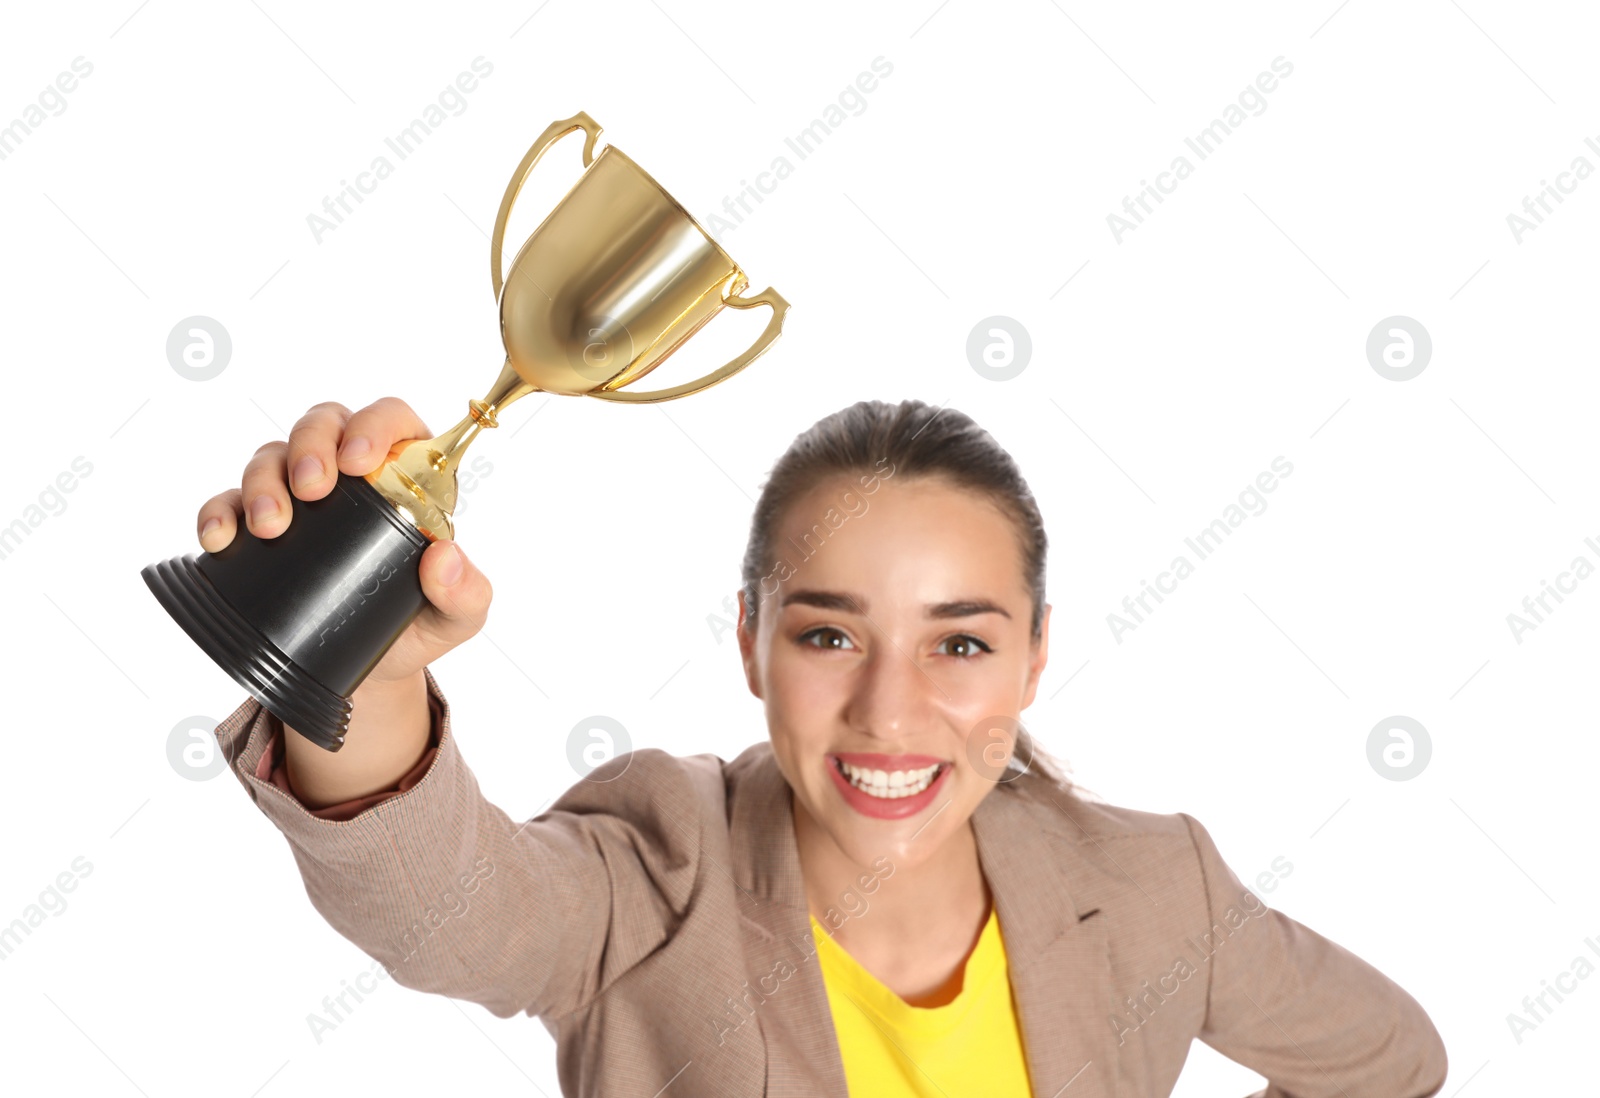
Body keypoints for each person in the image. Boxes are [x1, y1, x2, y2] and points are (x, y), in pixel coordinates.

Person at [200, 396, 1449, 1097]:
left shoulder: (1147, 888)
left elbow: (1391, 1062)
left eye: (958, 645)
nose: (890, 716)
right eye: (828, 636)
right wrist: (364, 668)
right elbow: (451, 919)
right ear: (748, 643)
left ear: (1033, 655)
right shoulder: (657, 872)